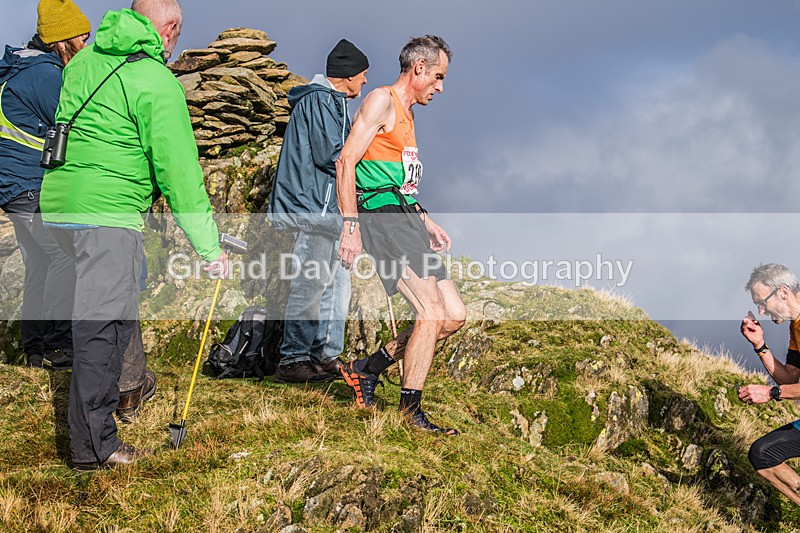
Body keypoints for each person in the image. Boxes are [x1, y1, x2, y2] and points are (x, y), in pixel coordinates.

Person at [40, 0, 227, 470]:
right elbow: (179, 172)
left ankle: (112, 408)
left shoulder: (82, 61)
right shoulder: (155, 81)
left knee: (112, 315)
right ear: (169, 28)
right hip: (108, 214)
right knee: (99, 332)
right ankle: (94, 448)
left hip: (60, 205)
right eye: (176, 34)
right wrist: (209, 247)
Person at [335, 35, 466, 435]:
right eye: (438, 77)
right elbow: (345, 163)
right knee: (429, 311)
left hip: (406, 216)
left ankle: (367, 369)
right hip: (381, 218)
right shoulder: (381, 100)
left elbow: (401, 181)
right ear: (419, 69)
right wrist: (351, 228)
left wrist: (425, 217)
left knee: (453, 316)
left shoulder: (408, 116)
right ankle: (410, 411)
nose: (441, 87)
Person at [267, 39, 369, 383]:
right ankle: (293, 358)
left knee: (337, 285)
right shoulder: (320, 101)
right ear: (348, 75)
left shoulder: (332, 101)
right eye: (363, 75)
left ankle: (325, 354)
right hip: (315, 208)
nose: (365, 82)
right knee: (311, 283)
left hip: (329, 210)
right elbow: (333, 153)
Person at [0, 0, 91, 369]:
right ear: (60, 41)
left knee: (39, 262)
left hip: (13, 184)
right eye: (81, 39)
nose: (87, 45)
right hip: (26, 184)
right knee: (64, 258)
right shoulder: (44, 75)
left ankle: (34, 347)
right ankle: (57, 345)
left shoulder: (25, 65)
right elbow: (76, 122)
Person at [738, 263, 800, 505]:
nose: (761, 311)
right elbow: (790, 377)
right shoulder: (795, 326)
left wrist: (771, 393)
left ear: (783, 292)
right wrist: (759, 345)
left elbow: (782, 387)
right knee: (763, 454)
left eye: (762, 303)